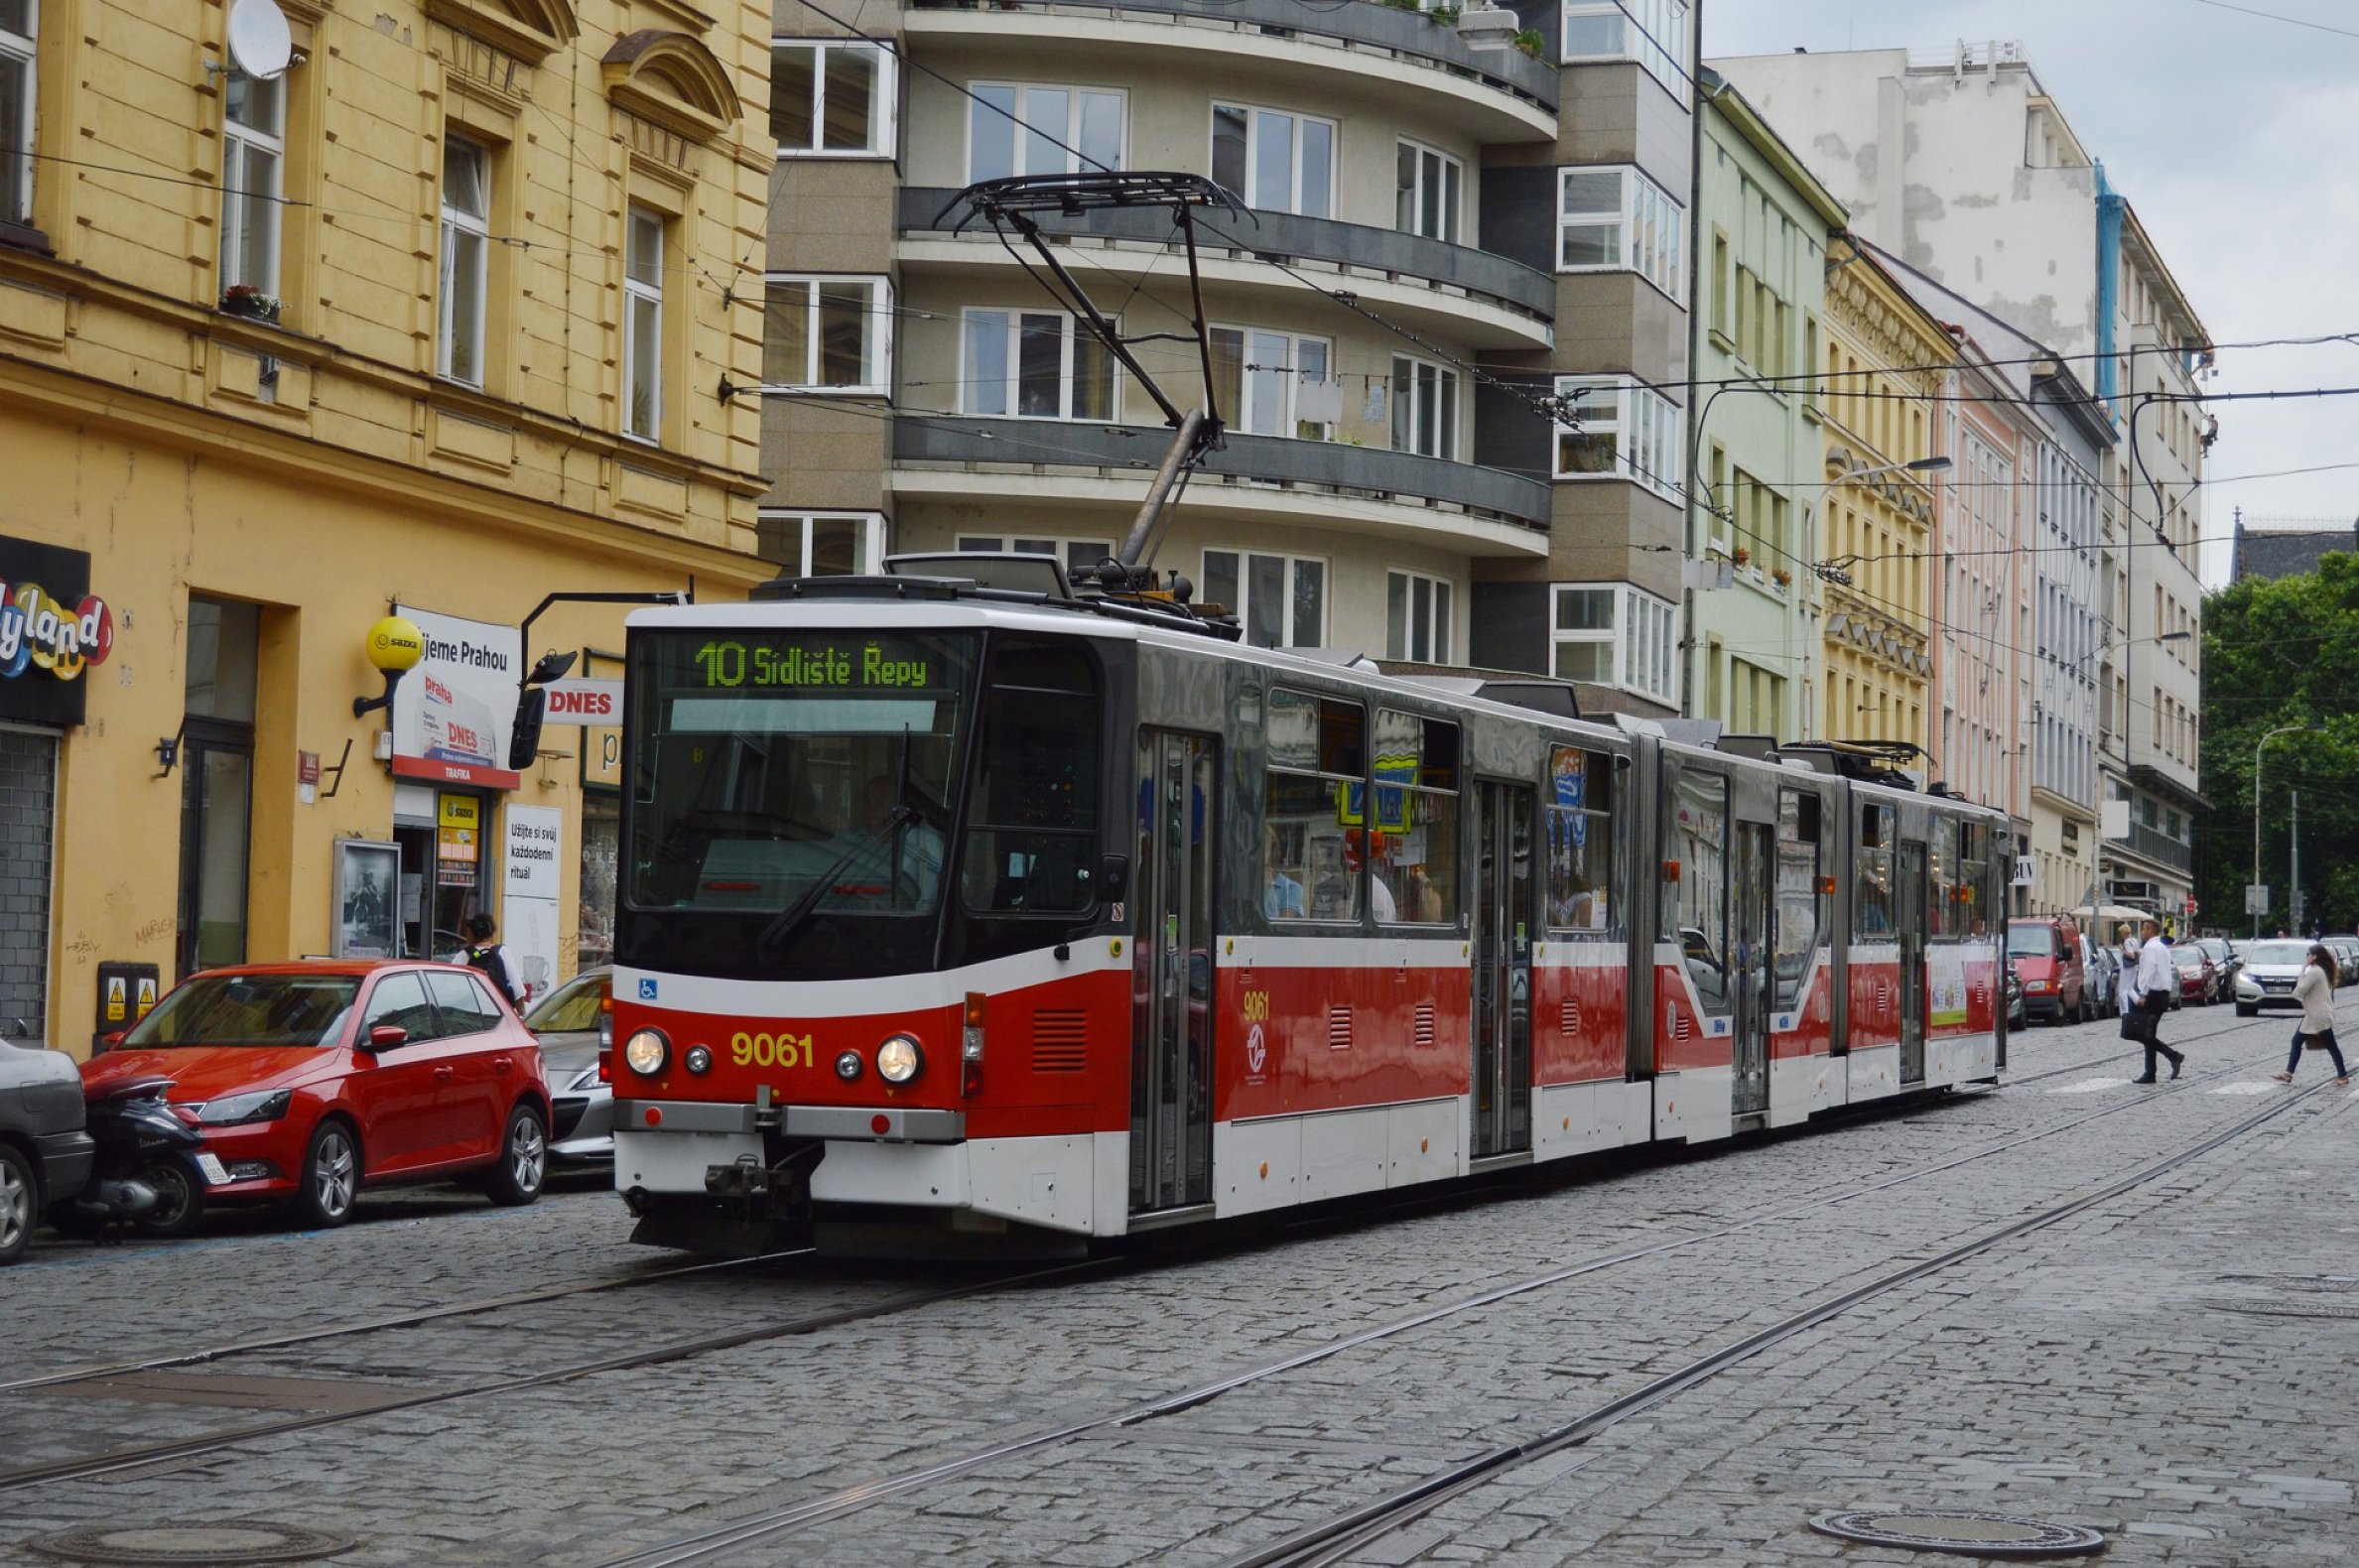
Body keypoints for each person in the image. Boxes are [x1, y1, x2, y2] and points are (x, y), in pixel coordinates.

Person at [2275, 942, 2351, 1086]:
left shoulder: (2315, 971)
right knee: (2296, 1040)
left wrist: (2303, 970)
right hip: (2313, 1015)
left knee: (2331, 1045)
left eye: (2308, 954)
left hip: (2318, 1015)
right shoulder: (2321, 969)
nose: (2307, 957)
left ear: (2315, 957)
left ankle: (2343, 1076)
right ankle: (2288, 1073)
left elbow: (2301, 989)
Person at [2129, 916, 2183, 1083]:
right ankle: (2150, 1072)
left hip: (2152, 994)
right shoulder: (2163, 948)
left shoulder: (2150, 948)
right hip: (2162, 994)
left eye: (2144, 928)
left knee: (2145, 1034)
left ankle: (2173, 1056)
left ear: (2150, 930)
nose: (2142, 931)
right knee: (2148, 1033)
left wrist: (2143, 993)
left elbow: (2149, 971)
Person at [462, 913, 523, 1009]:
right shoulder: (503, 952)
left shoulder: (463, 955)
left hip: (468, 1016)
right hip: (497, 1015)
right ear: (492, 933)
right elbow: (518, 991)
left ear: (471, 932)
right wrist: (522, 1017)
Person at [1263, 827, 1306, 920]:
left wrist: (1269, 890)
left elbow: (1283, 926)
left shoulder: (1292, 888)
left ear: (1272, 853)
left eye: (1265, 849)